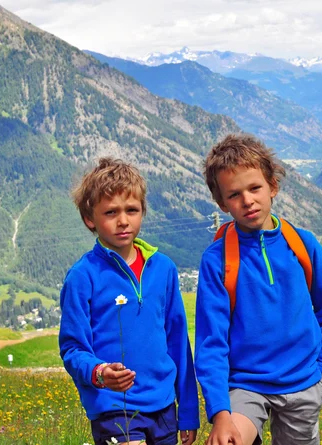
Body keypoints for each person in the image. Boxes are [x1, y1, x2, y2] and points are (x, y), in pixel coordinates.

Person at [195, 134, 322, 445]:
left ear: (272, 186)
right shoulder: (217, 259)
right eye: (234, 194)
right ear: (222, 203)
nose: (247, 200)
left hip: (303, 383)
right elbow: (211, 341)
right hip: (246, 384)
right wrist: (220, 413)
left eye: (255, 188)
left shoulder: (303, 245)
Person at [59, 158, 199, 445]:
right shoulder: (83, 276)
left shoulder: (164, 268)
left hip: (163, 406)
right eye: (111, 212)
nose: (123, 220)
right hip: (112, 406)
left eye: (131, 210)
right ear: (90, 219)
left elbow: (178, 343)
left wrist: (187, 411)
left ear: (142, 212)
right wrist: (98, 373)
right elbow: (73, 348)